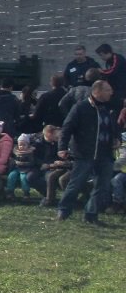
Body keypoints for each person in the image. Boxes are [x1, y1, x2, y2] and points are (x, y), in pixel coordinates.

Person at [56, 80, 118, 225]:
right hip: (85, 154)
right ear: (98, 91)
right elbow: (67, 128)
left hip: (105, 154)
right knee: (76, 183)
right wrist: (62, 148)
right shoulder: (81, 107)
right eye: (108, 90)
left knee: (102, 186)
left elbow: (111, 128)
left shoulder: (107, 109)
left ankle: (91, 214)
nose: (111, 93)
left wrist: (116, 139)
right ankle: (64, 210)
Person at [94, 43, 126, 114]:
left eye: (101, 55)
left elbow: (112, 71)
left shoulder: (117, 58)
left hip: (121, 86)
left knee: (120, 103)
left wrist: (101, 71)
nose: (101, 58)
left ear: (107, 53)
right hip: (115, 87)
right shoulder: (108, 61)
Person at [4, 133, 37, 201]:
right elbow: (11, 159)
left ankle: (26, 193)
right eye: (20, 145)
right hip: (16, 168)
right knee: (11, 176)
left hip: (26, 169)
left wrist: (22, 163)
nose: (21, 146)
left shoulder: (30, 152)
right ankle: (10, 192)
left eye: (24, 145)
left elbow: (32, 162)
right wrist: (12, 161)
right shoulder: (15, 151)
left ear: (28, 145)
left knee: (23, 178)